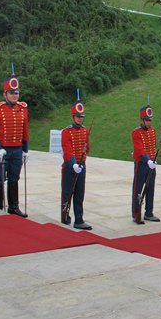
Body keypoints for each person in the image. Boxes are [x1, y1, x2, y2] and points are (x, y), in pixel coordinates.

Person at [0, 66, 29, 217]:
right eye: (12, 93)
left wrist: (26, 149)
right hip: (2, 150)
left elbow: (25, 130)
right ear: (5, 94)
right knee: (0, 178)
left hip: (17, 150)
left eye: (17, 93)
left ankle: (13, 207)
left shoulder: (23, 108)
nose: (15, 95)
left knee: (14, 178)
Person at [60, 93, 91, 229]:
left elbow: (87, 147)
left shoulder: (85, 131)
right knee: (67, 192)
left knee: (79, 193)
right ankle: (65, 215)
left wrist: (83, 156)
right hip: (70, 166)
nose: (80, 119)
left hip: (81, 165)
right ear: (73, 117)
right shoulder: (67, 131)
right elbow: (67, 150)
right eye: (78, 117)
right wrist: (73, 163)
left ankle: (79, 219)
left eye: (82, 117)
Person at [131, 104, 159, 224]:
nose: (149, 122)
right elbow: (139, 149)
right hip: (142, 164)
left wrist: (152, 160)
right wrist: (148, 160)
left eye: (150, 120)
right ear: (142, 120)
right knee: (138, 189)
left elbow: (152, 147)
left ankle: (149, 212)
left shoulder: (153, 131)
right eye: (147, 120)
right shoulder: (136, 132)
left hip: (151, 164)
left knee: (150, 188)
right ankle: (136, 213)